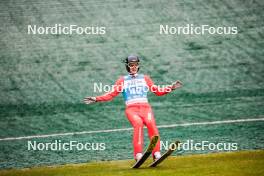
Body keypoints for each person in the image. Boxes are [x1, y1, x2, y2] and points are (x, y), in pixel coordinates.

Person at [84, 55, 182, 162]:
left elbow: (157, 91)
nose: (134, 67)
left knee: (150, 123)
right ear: (127, 66)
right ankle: (138, 155)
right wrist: (96, 98)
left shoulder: (145, 78)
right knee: (138, 124)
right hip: (132, 109)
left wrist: (170, 88)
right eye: (131, 65)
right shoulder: (122, 80)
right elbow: (111, 94)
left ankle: (156, 153)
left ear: (138, 66)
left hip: (145, 108)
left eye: (136, 65)